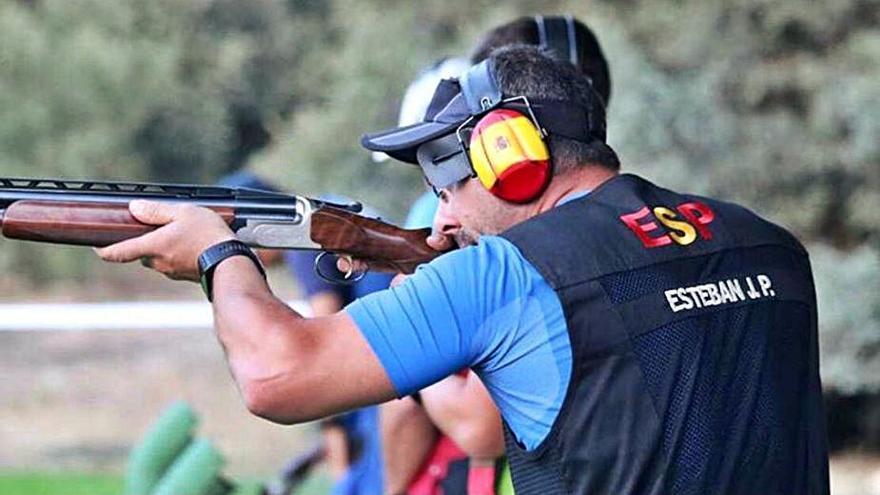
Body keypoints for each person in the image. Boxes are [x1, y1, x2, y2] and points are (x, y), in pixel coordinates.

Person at [97, 45, 830, 494]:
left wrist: (218, 253)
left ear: (510, 159)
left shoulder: (510, 274)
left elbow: (276, 374)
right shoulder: (770, 246)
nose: (442, 220)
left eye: (448, 187)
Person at [384, 15, 614, 495]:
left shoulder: (522, 247)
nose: (443, 220)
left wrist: (416, 332)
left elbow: (476, 427)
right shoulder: (626, 218)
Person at [219, 171, 392, 495]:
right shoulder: (322, 213)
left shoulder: (302, 238)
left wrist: (339, 460)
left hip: (385, 371)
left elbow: (322, 355)